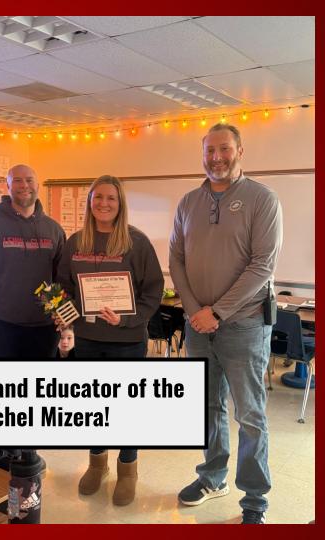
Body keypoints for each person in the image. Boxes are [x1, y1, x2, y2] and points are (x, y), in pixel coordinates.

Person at [170, 124, 283, 525]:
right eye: (209, 150)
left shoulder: (262, 199)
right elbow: (177, 261)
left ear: (240, 151)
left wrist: (216, 312)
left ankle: (254, 501)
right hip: (198, 326)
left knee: (250, 414)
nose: (216, 157)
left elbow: (262, 266)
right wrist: (192, 310)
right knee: (207, 407)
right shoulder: (187, 202)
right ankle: (212, 477)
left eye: (224, 149)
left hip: (245, 326)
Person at [56, 174, 164, 507]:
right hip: (87, 340)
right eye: (98, 197)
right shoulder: (75, 242)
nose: (104, 203)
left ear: (121, 204)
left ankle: (127, 469)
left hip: (127, 341)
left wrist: (128, 318)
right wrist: (66, 319)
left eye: (111, 199)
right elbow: (63, 290)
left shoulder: (137, 242)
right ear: (90, 202)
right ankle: (97, 462)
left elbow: (153, 291)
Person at [0, 164, 66, 357]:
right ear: (8, 187)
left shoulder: (54, 230)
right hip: (0, 325)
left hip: (45, 328)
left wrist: (65, 321)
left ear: (38, 185)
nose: (24, 185)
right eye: (17, 180)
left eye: (29, 180)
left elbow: (61, 280)